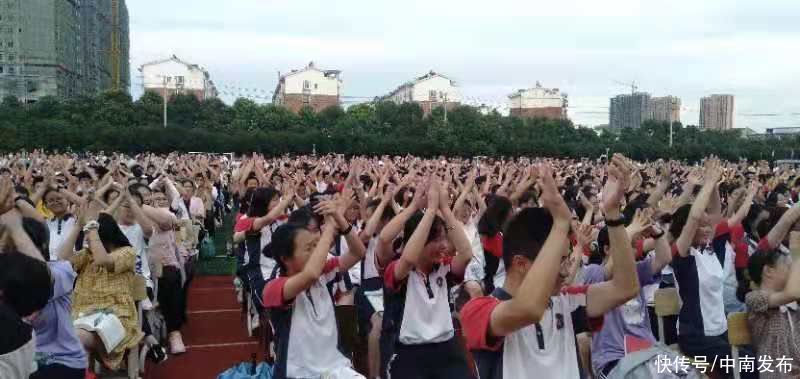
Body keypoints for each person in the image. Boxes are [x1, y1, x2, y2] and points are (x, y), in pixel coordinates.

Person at [462, 157, 640, 379]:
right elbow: (527, 309)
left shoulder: (566, 301)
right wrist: (561, 223)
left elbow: (626, 287)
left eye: (567, 259)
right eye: (559, 261)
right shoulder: (479, 310)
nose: (567, 272)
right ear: (520, 264)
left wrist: (613, 213)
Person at [262, 188, 367, 379]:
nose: (318, 251)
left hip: (332, 367)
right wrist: (329, 230)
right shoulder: (274, 287)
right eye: (309, 247)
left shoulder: (323, 273)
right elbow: (310, 274)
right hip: (298, 373)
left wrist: (339, 219)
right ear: (286, 258)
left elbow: (358, 253)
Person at [382, 180, 474, 379]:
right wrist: (430, 210)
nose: (443, 245)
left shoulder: (444, 268)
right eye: (435, 240)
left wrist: (444, 208)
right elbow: (408, 257)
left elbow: (466, 253)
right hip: (409, 352)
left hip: (447, 349)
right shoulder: (398, 270)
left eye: (443, 238)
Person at [583, 220, 672, 378]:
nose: (633, 250)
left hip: (647, 352)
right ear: (607, 249)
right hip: (614, 358)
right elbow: (608, 271)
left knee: (689, 373)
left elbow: (664, 258)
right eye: (627, 245)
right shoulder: (593, 272)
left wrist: (657, 233)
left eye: (632, 245)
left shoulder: (636, 271)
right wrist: (627, 231)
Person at [59, 208, 143, 370]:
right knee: (63, 336)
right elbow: (62, 259)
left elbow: (103, 260)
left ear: (103, 234)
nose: (87, 239)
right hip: (82, 316)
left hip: (116, 318)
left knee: (74, 338)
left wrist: (91, 228)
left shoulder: (127, 252)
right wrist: (78, 226)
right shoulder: (87, 255)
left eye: (89, 235)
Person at [742, 238, 800, 378]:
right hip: (776, 374)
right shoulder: (754, 298)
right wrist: (796, 253)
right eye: (788, 266)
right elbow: (792, 292)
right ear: (768, 271)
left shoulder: (793, 302)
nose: (793, 272)